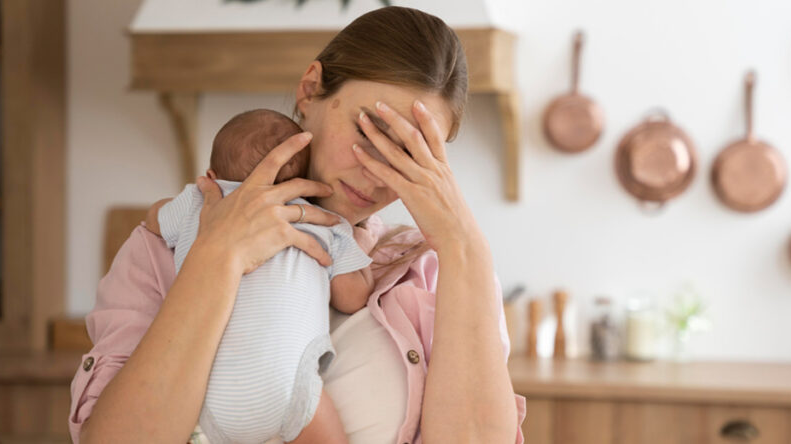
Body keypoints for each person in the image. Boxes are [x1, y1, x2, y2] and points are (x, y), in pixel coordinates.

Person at [68, 6, 526, 443]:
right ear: (310, 90)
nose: (376, 172)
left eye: (411, 153)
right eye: (370, 131)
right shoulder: (163, 251)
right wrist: (216, 259)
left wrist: (464, 242)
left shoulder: (433, 274)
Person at [147, 108, 376, 444]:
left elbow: (153, 220)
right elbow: (353, 298)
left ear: (212, 175)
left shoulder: (201, 203)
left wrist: (193, 198)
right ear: (303, 181)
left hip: (206, 395)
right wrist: (362, 247)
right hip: (287, 387)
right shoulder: (321, 220)